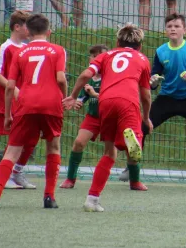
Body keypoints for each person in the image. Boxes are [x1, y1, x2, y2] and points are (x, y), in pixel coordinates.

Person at [0, 14, 68, 208]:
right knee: (53, 148)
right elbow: (61, 79)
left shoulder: (21, 52)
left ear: (29, 31)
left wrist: (9, 114)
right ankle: (49, 197)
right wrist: (65, 99)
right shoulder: (58, 50)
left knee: (11, 151)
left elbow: (10, 87)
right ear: (48, 31)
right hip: (52, 104)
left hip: (26, 104)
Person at [63, 23, 152, 212]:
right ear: (140, 45)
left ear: (117, 42)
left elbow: (86, 74)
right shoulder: (143, 59)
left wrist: (72, 95)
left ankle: (92, 199)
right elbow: (145, 95)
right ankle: (132, 140)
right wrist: (146, 118)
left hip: (105, 101)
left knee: (109, 154)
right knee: (134, 142)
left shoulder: (106, 55)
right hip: (128, 101)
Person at [119, 13, 186, 189]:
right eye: (170, 26)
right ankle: (131, 168)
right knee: (140, 128)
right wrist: (153, 82)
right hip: (167, 98)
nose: (173, 29)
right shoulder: (161, 51)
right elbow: (153, 78)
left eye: (177, 26)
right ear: (165, 30)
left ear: (184, 30)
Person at [0, 10, 36, 189]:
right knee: (14, 141)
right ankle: (6, 176)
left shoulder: (27, 49)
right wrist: (15, 90)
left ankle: (17, 172)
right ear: (17, 27)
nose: (30, 29)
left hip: (27, 102)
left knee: (30, 139)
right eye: (27, 25)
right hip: (9, 102)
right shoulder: (6, 47)